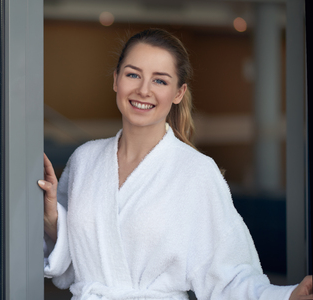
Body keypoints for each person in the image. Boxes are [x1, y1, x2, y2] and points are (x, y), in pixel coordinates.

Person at [38, 28, 313, 300]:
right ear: (115, 80)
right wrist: (52, 218)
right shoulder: (85, 159)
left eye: (160, 81)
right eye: (133, 74)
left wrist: (287, 296)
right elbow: (72, 261)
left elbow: (228, 276)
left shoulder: (197, 172)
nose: (143, 90)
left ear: (179, 93)